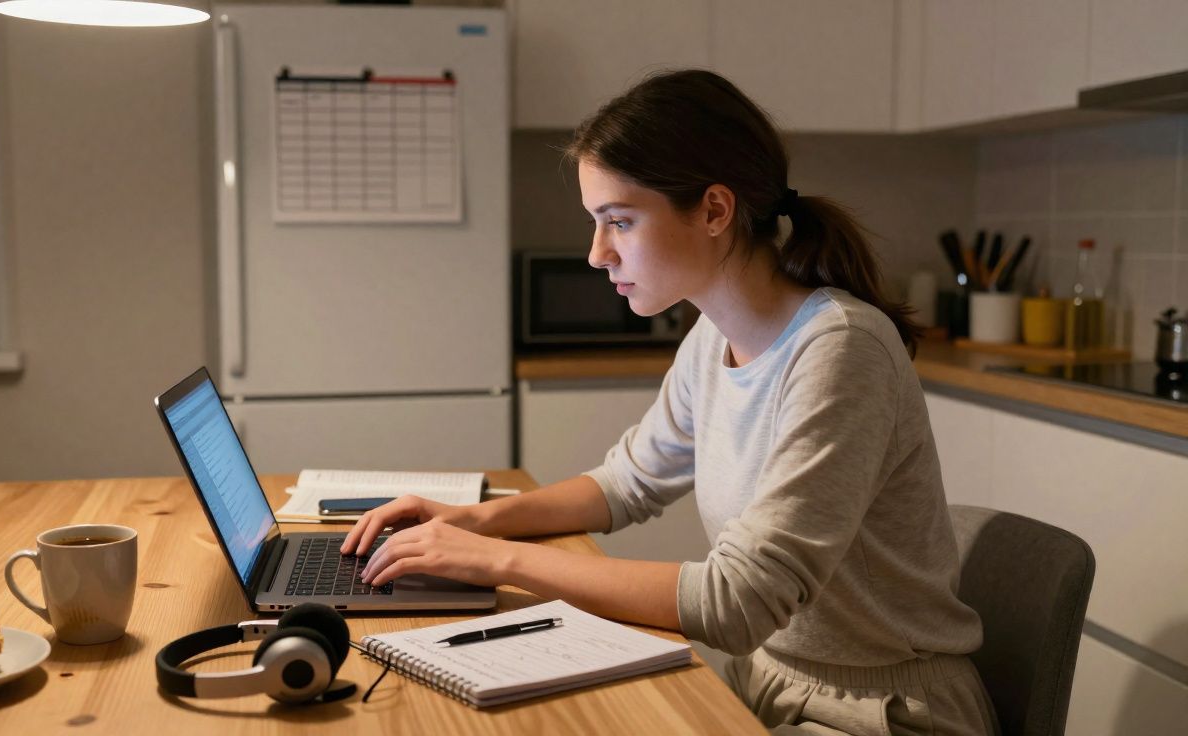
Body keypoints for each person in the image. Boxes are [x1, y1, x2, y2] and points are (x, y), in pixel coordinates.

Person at [341, 69, 998, 736]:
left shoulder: (841, 350)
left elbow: (736, 603)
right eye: (597, 224)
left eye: (619, 222)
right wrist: (477, 522)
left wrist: (496, 561)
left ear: (714, 211)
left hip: (883, 713)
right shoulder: (712, 337)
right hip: (767, 682)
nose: (597, 254)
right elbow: (626, 483)